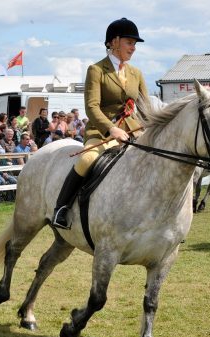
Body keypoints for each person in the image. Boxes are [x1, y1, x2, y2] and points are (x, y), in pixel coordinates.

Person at [53, 17, 148, 229]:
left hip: (133, 131)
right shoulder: (96, 70)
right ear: (114, 42)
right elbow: (92, 107)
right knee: (87, 159)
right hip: (102, 131)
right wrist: (111, 128)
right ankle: (61, 208)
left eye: (134, 44)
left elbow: (145, 106)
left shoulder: (136, 73)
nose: (133, 48)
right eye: (129, 42)